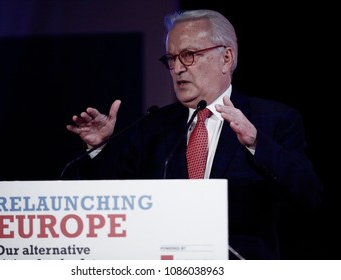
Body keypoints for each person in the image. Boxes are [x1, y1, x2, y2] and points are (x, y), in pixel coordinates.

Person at [64, 9, 323, 259]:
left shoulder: (272, 120)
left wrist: (256, 142)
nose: (177, 68)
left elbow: (308, 197)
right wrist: (99, 149)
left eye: (188, 55)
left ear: (226, 58)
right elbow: (112, 206)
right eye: (171, 58)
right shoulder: (152, 126)